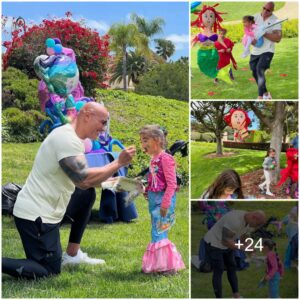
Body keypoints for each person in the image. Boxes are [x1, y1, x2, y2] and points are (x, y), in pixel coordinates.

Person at [2, 102, 136, 279]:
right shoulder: (66, 139)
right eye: (103, 122)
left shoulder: (74, 138)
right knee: (48, 271)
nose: (104, 129)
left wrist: (130, 185)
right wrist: (118, 163)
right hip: (35, 216)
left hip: (49, 209)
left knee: (86, 195)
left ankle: (73, 255)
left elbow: (86, 183)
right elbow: (84, 178)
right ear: (87, 115)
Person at [140, 125, 185, 274]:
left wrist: (165, 204)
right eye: (141, 141)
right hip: (155, 200)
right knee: (156, 231)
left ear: (158, 140)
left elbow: (171, 184)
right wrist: (147, 190)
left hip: (163, 202)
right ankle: (158, 265)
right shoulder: (154, 159)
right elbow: (155, 180)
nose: (143, 144)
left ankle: (168, 267)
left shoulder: (166, 159)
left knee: (159, 232)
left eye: (145, 140)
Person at [204, 210, 266, 298]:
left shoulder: (249, 222)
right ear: (254, 218)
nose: (256, 227)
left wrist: (251, 251)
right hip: (214, 243)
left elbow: (243, 238)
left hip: (227, 244)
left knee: (232, 267)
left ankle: (236, 295)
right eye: (257, 224)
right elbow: (225, 241)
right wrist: (244, 248)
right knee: (219, 269)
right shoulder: (235, 220)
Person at [249, 2, 282, 99]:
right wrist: (251, 40)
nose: (265, 11)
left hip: (268, 51)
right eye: (264, 8)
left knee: (260, 69)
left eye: (268, 10)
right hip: (255, 51)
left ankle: (260, 96)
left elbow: (278, 38)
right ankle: (266, 94)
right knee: (254, 72)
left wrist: (264, 33)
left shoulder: (275, 20)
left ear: (272, 10)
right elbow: (249, 31)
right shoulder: (255, 17)